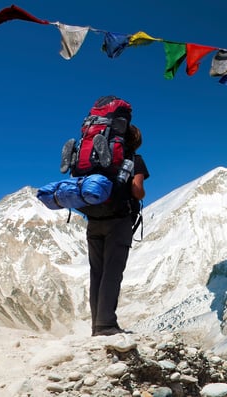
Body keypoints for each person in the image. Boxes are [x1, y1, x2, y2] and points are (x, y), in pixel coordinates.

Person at [87, 124, 149, 336]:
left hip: (94, 219)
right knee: (112, 273)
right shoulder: (135, 160)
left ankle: (97, 325)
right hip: (119, 222)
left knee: (97, 273)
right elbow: (137, 191)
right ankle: (106, 325)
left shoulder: (98, 161)